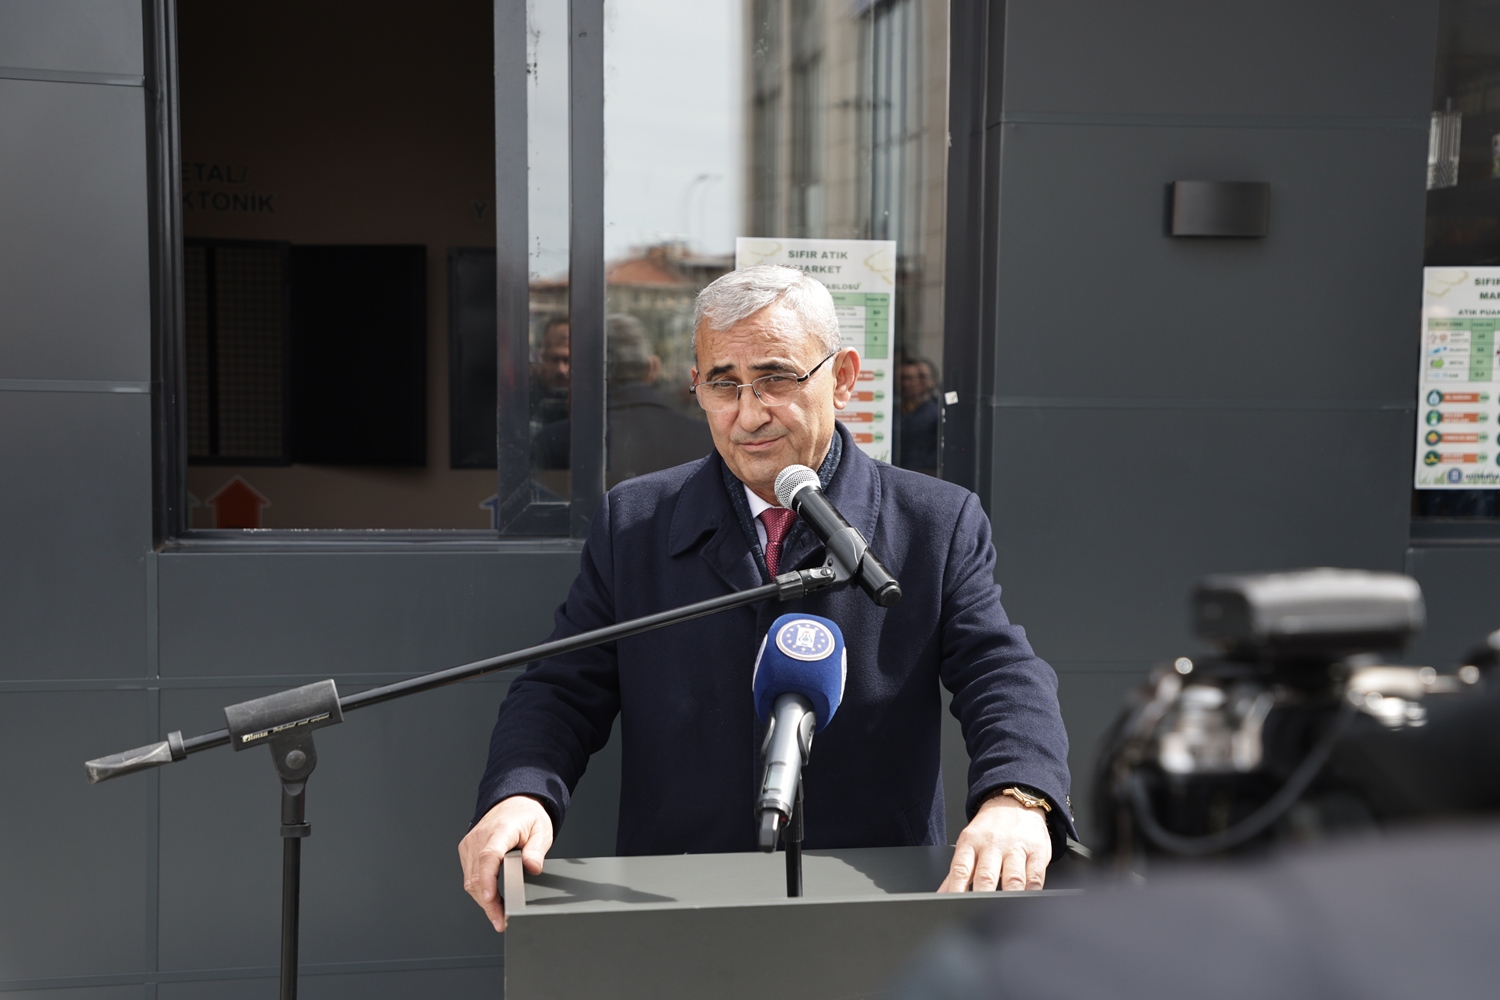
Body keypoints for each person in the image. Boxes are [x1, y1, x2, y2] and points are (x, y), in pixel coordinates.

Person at [460, 266, 1072, 932]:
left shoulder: (935, 522)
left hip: (873, 904)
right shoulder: (635, 521)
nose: (749, 414)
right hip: (676, 903)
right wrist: (522, 793)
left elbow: (999, 670)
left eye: (776, 378)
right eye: (723, 384)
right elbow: (561, 687)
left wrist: (1018, 795)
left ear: (842, 377)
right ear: (695, 386)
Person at [533, 314, 714, 480]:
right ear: (652, 368)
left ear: (590, 371)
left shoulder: (557, 440)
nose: (562, 370)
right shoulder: (706, 437)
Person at [898, 357, 942, 476]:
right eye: (902, 378)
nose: (906, 384)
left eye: (920, 377)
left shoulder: (936, 412)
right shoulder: (892, 411)